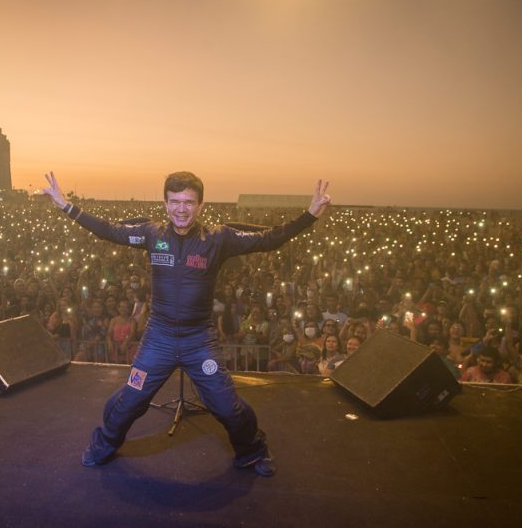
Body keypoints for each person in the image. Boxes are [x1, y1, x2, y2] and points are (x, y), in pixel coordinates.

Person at [44, 170, 331, 477]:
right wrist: (65, 205)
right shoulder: (152, 234)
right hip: (159, 338)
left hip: (199, 340)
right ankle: (105, 443)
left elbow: (268, 240)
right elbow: (109, 231)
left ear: (201, 205)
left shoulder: (219, 239)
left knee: (225, 405)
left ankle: (252, 449)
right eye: (175, 202)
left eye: (189, 202)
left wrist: (309, 215)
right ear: (165, 204)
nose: (181, 209)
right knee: (131, 400)